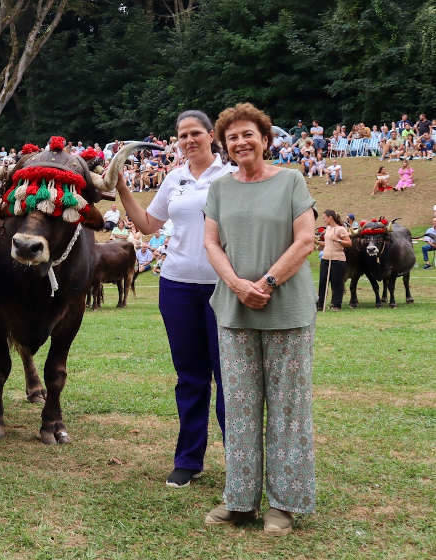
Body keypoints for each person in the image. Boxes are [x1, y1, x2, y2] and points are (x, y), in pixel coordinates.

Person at [202, 103, 316, 536]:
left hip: (286, 310)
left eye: (248, 134)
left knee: (287, 409)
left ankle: (283, 505)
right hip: (234, 311)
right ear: (225, 146)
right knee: (241, 408)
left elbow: (306, 240)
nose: (240, 142)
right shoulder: (220, 189)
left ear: (265, 139)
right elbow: (212, 244)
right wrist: (236, 284)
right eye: (232, 137)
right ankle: (240, 500)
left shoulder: (290, 180)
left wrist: (265, 282)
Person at [115, 110, 233, 488]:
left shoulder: (231, 176)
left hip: (223, 286)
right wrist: (122, 188)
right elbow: (149, 225)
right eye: (182, 135)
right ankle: (188, 459)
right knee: (190, 377)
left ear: (211, 135)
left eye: (195, 133)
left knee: (229, 378)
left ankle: (240, 460)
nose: (188, 140)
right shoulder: (174, 178)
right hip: (178, 285)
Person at [316, 210, 352, 310]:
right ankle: (320, 304)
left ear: (330, 217)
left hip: (338, 260)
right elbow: (328, 244)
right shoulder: (328, 228)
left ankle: (336, 305)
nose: (323, 220)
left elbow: (349, 243)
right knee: (323, 282)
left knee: (337, 282)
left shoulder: (341, 229)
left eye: (324, 218)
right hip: (325, 259)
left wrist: (338, 239)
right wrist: (317, 241)